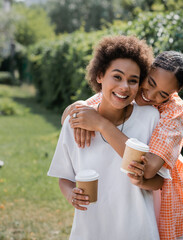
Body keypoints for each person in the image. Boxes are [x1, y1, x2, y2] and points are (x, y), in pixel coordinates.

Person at [63, 51, 183, 239]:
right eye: (150, 83)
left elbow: (148, 170)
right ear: (146, 72)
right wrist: (77, 108)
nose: (150, 95)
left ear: (172, 95)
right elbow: (72, 114)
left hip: (171, 207)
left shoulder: (175, 110)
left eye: (162, 94)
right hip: (140, 204)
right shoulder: (128, 91)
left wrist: (101, 124)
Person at [48, 35, 171, 239]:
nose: (124, 86)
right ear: (99, 76)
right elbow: (65, 177)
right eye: (117, 77)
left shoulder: (150, 117)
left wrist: (141, 181)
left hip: (138, 231)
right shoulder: (75, 123)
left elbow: (159, 181)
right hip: (91, 230)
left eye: (133, 81)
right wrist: (70, 194)